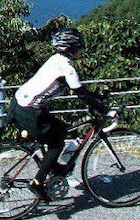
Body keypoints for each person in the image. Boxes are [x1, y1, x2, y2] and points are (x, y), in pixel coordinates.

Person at [8, 28, 106, 202]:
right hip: (30, 110)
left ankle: (53, 169)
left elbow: (81, 91)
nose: (82, 50)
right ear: (71, 48)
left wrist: (97, 98)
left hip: (19, 103)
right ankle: (37, 182)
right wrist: (103, 109)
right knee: (56, 143)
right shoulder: (67, 69)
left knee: (61, 129)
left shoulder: (56, 60)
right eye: (79, 46)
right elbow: (81, 95)